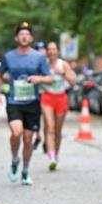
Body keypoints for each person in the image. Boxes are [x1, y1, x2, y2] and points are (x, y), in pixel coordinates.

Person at [0, 22, 53, 185]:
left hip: (32, 103)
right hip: (14, 101)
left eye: (27, 35)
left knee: (28, 139)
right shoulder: (8, 57)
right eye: (21, 34)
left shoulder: (39, 57)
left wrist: (40, 78)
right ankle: (15, 158)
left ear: (31, 38)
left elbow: (49, 78)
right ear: (16, 38)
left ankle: (25, 171)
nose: (24, 37)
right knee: (16, 133)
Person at [40, 41, 77, 170]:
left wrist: (62, 74)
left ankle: (56, 153)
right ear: (47, 52)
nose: (51, 52)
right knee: (49, 127)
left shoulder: (63, 64)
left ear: (58, 52)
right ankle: (51, 157)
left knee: (57, 130)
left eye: (54, 49)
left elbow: (73, 82)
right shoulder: (43, 63)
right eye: (49, 49)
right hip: (47, 97)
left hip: (61, 98)